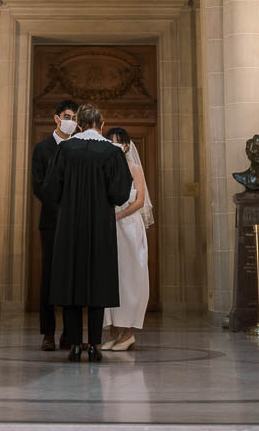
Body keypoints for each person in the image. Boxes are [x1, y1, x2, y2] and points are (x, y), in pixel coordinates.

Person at [43, 102, 133, 362]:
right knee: (97, 284)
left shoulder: (65, 149)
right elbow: (120, 192)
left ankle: (73, 346)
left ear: (79, 124)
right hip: (100, 227)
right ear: (101, 125)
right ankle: (94, 345)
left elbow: (50, 189)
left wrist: (68, 203)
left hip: (69, 226)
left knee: (71, 283)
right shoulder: (111, 152)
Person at [31, 97, 79, 351]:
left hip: (75, 223)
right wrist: (60, 207)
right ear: (57, 118)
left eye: (75, 118)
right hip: (51, 221)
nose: (71, 122)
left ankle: (70, 333)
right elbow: (38, 186)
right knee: (48, 276)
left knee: (72, 277)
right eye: (68, 117)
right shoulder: (42, 149)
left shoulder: (79, 147)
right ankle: (48, 333)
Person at [102, 128, 152, 351]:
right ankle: (113, 331)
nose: (116, 145)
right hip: (110, 229)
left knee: (131, 278)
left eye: (119, 142)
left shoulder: (135, 168)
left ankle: (128, 333)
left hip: (130, 227)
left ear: (127, 145)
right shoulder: (106, 169)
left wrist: (117, 216)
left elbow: (140, 201)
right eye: (111, 141)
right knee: (111, 278)